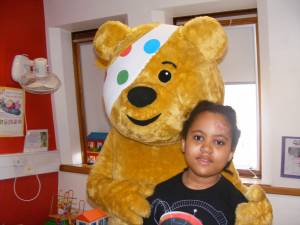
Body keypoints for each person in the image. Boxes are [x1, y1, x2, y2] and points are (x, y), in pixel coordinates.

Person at [143, 100, 247, 225]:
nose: (206, 148)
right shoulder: (158, 194)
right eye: (198, 137)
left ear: (230, 153)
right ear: (183, 143)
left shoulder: (239, 207)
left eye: (219, 142)